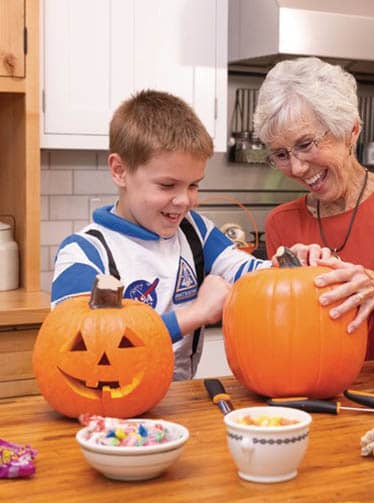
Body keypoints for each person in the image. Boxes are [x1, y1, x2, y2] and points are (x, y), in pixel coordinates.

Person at [51, 90, 271, 380]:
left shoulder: (196, 231)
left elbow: (250, 273)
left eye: (194, 185)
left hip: (180, 403)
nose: (185, 201)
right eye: (168, 185)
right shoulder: (84, 252)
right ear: (120, 171)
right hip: (110, 405)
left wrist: (293, 266)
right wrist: (195, 314)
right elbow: (80, 341)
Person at [256, 57, 374, 368]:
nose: (297, 168)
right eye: (281, 154)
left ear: (351, 131)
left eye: (306, 144)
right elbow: (283, 330)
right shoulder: (281, 223)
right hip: (310, 387)